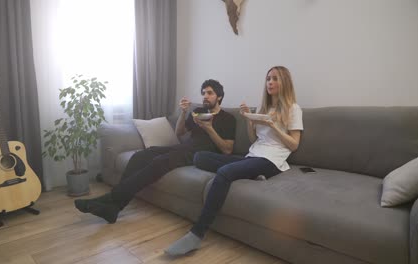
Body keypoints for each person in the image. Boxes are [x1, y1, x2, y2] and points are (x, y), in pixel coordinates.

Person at [165, 66, 303, 256]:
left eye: (275, 79)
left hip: (272, 160)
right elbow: (254, 140)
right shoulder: (263, 108)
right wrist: (249, 120)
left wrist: (273, 125)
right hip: (253, 155)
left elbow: (294, 145)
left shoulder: (293, 109)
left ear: (285, 82)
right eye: (268, 78)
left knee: (224, 173)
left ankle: (196, 234)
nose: (270, 82)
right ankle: (255, 175)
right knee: (200, 157)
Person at [74, 79, 236, 223]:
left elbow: (227, 150)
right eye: (203, 93)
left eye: (210, 93)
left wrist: (209, 128)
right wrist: (184, 112)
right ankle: (114, 208)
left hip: (201, 154)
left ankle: (112, 199)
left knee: (159, 162)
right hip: (184, 147)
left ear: (219, 96)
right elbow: (179, 133)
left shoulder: (228, 119)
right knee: (143, 154)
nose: (205, 96)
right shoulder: (200, 112)